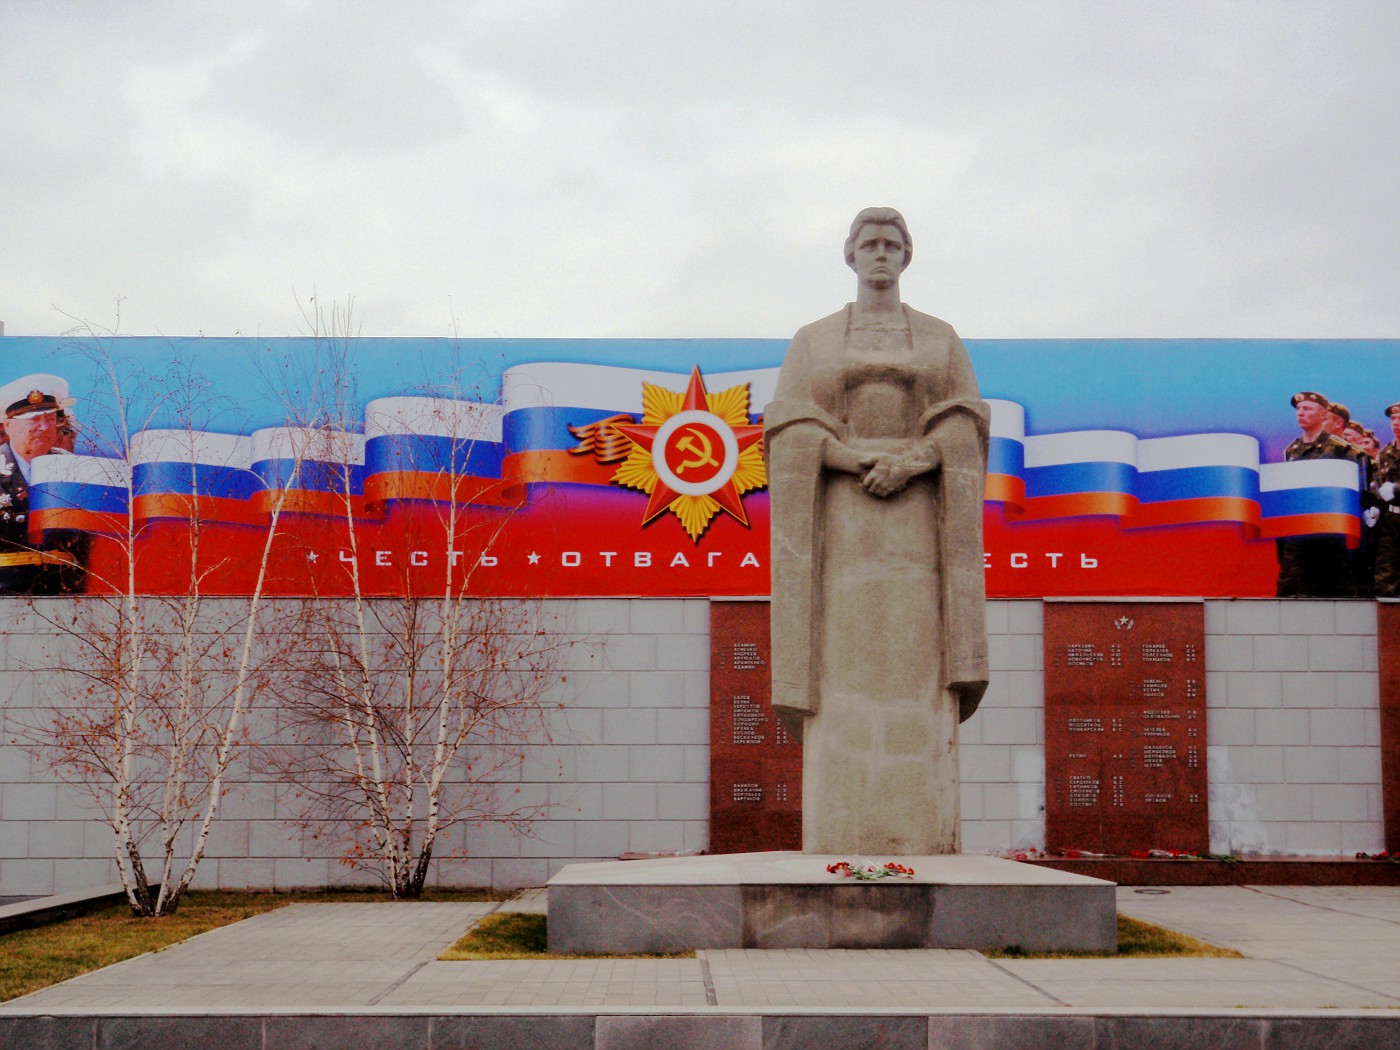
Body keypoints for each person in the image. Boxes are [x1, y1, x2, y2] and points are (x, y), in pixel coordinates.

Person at [765, 207, 988, 855]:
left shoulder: (941, 338)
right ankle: (845, 821)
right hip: (842, 516)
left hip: (920, 520)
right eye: (870, 244)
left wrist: (917, 458)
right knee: (846, 647)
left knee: (915, 644)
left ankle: (916, 827)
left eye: (893, 244)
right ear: (851, 254)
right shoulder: (814, 339)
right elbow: (788, 424)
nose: (882, 254)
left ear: (908, 255)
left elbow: (966, 420)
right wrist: (848, 457)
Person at [0, 375, 89, 595]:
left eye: (50, 419)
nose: (44, 427)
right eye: (34, 420)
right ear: (8, 425)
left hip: (64, 593)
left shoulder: (71, 469)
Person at [1275, 391, 1356, 597]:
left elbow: (1353, 492)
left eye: (1307, 408)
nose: (1301, 413)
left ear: (1323, 415)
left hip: (1329, 532)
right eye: (1299, 409)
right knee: (1289, 589)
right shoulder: (1292, 450)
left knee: (1333, 590)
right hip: (1298, 532)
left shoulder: (1342, 449)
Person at [1373, 403, 1400, 597]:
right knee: (1385, 582)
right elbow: (1378, 484)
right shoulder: (1385, 453)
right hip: (1391, 522)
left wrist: (1398, 490)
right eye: (1393, 419)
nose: (1396, 423)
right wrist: (1374, 507)